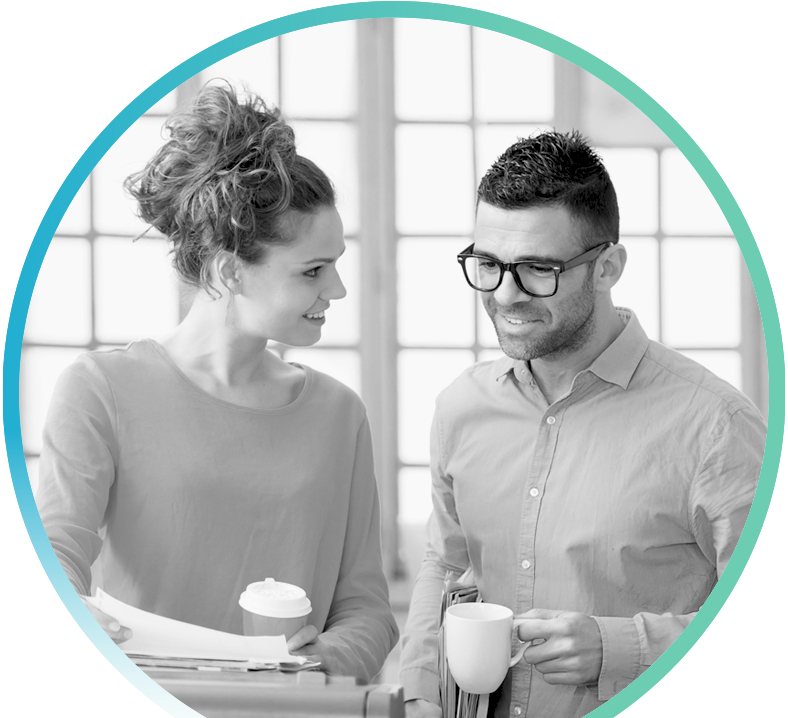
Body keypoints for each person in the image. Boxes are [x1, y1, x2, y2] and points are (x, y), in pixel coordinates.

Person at [35, 83, 398, 683]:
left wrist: (327, 657)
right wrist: (69, 616)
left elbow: (366, 609)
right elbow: (55, 554)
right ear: (230, 269)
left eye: (336, 264)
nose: (336, 290)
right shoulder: (100, 389)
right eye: (313, 270)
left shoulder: (339, 413)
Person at [399, 130, 766, 717]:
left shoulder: (716, 427)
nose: (506, 294)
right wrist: (418, 693)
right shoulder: (460, 408)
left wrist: (623, 647)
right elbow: (443, 565)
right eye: (488, 264)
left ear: (608, 267)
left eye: (538, 269)